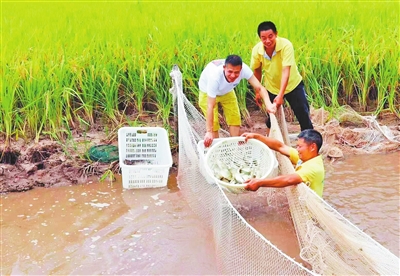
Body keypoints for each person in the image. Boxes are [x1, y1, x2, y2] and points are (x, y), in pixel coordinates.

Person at [199, 54, 276, 147]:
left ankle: (234, 145)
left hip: (227, 91)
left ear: (241, 69)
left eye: (236, 73)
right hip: (207, 92)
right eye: (230, 72)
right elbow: (210, 106)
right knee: (213, 124)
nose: (233, 75)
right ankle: (217, 149)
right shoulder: (215, 77)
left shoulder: (245, 70)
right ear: (224, 68)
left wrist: (268, 104)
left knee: (234, 117)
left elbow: (259, 87)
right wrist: (209, 132)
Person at [250, 21, 313, 134]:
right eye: (263, 38)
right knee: (272, 116)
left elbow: (286, 71)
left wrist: (281, 95)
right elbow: (257, 70)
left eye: (270, 36)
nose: (267, 41)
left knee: (303, 116)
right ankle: (272, 143)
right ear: (260, 38)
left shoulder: (286, 45)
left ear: (276, 34)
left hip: (293, 86)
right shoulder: (257, 50)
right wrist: (258, 91)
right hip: (272, 87)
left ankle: (309, 144)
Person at [241, 129, 324, 197]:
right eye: (297, 146)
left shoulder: (314, 167)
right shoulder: (305, 157)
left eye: (300, 146)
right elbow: (280, 146)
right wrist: (256, 136)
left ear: (312, 147)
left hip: (311, 209)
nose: (297, 149)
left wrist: (259, 182)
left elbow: (288, 179)